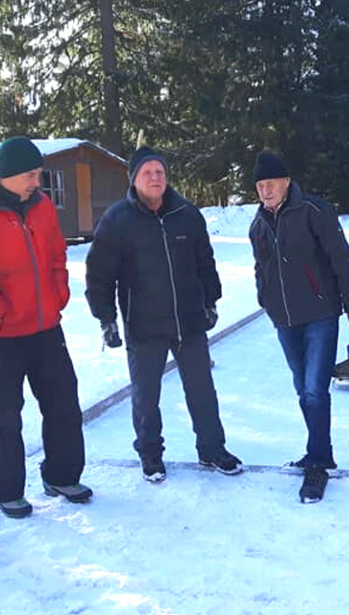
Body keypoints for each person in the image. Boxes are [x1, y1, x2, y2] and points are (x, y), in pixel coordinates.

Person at [85, 146, 242, 482]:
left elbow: (205, 263)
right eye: (147, 173)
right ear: (134, 179)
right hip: (143, 325)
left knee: (202, 389)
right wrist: (106, 318)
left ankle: (212, 449)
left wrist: (211, 300)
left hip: (188, 320)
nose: (155, 178)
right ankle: (151, 455)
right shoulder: (117, 220)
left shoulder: (186, 214)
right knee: (146, 396)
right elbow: (99, 273)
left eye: (160, 172)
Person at [0, 136, 92, 517]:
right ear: (6, 176)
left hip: (45, 326)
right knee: (6, 414)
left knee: (64, 402)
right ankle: (6, 490)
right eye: (29, 175)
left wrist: (58, 291)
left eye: (38, 173)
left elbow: (57, 251)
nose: (36, 182)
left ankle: (61, 475)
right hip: (2, 334)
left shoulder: (40, 206)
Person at [248, 151, 349, 503]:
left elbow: (341, 259)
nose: (265, 190)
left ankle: (317, 462)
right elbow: (261, 268)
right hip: (285, 319)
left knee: (315, 390)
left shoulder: (314, 211)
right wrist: (265, 300)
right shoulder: (257, 224)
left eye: (271, 183)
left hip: (320, 314)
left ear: (286, 181)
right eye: (259, 185)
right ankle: (320, 451)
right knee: (303, 388)